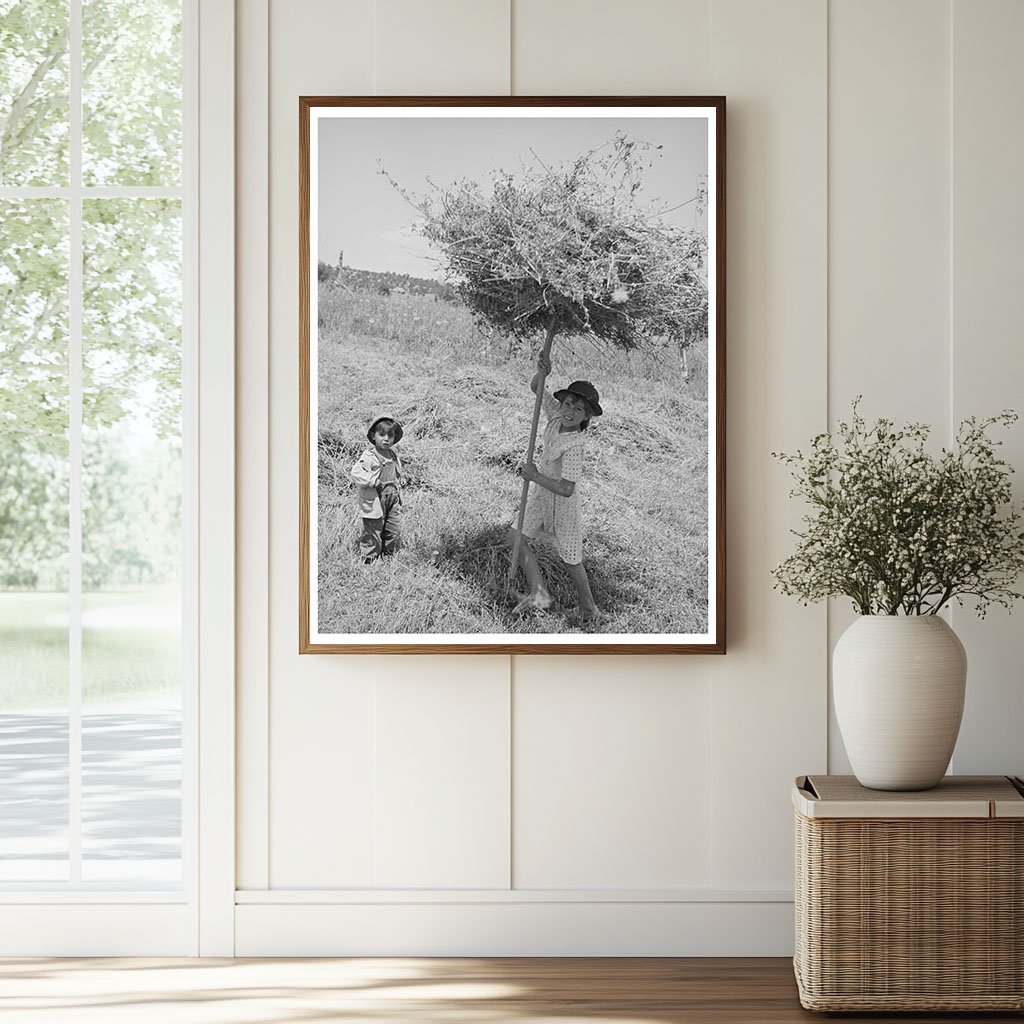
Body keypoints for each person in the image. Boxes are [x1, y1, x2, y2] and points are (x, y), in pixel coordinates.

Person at [509, 351, 602, 620]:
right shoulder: (555, 418)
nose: (570, 411)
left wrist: (534, 475)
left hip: (563, 506)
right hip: (541, 497)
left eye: (578, 409)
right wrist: (543, 372)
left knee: (571, 558)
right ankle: (539, 593)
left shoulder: (575, 446)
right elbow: (537, 388)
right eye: (568, 404)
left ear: (586, 418)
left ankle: (588, 608)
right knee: (515, 536)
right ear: (561, 404)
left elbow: (567, 489)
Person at [351, 416, 404, 563]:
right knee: (373, 529)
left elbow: (395, 471)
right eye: (382, 435)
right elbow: (356, 473)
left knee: (392, 528)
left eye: (390, 435)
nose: (386, 439)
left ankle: (388, 554)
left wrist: (400, 479)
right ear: (374, 436)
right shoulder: (369, 456)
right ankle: (370, 558)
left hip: (392, 498)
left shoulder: (392, 455)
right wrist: (372, 480)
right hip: (375, 498)